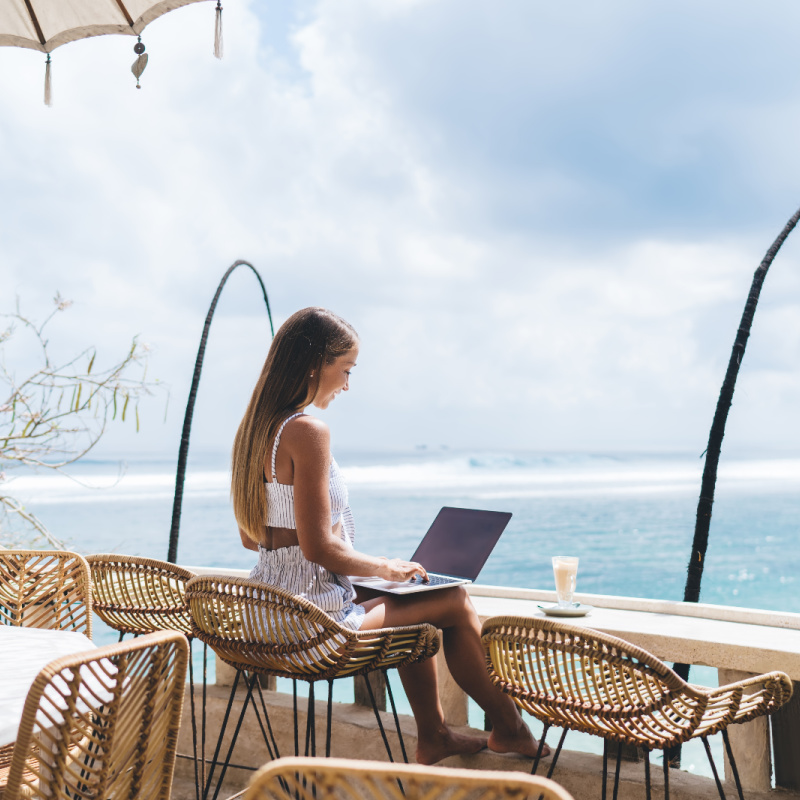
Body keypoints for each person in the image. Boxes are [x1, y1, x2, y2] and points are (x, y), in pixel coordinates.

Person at [231, 307, 546, 765]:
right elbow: (318, 546)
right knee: (454, 602)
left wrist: (363, 573)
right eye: (346, 369)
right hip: (312, 625)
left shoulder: (254, 431)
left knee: (412, 609)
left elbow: (252, 539)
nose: (346, 384)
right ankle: (511, 729)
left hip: (268, 613)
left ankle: (436, 736)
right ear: (317, 364)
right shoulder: (306, 431)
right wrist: (385, 567)